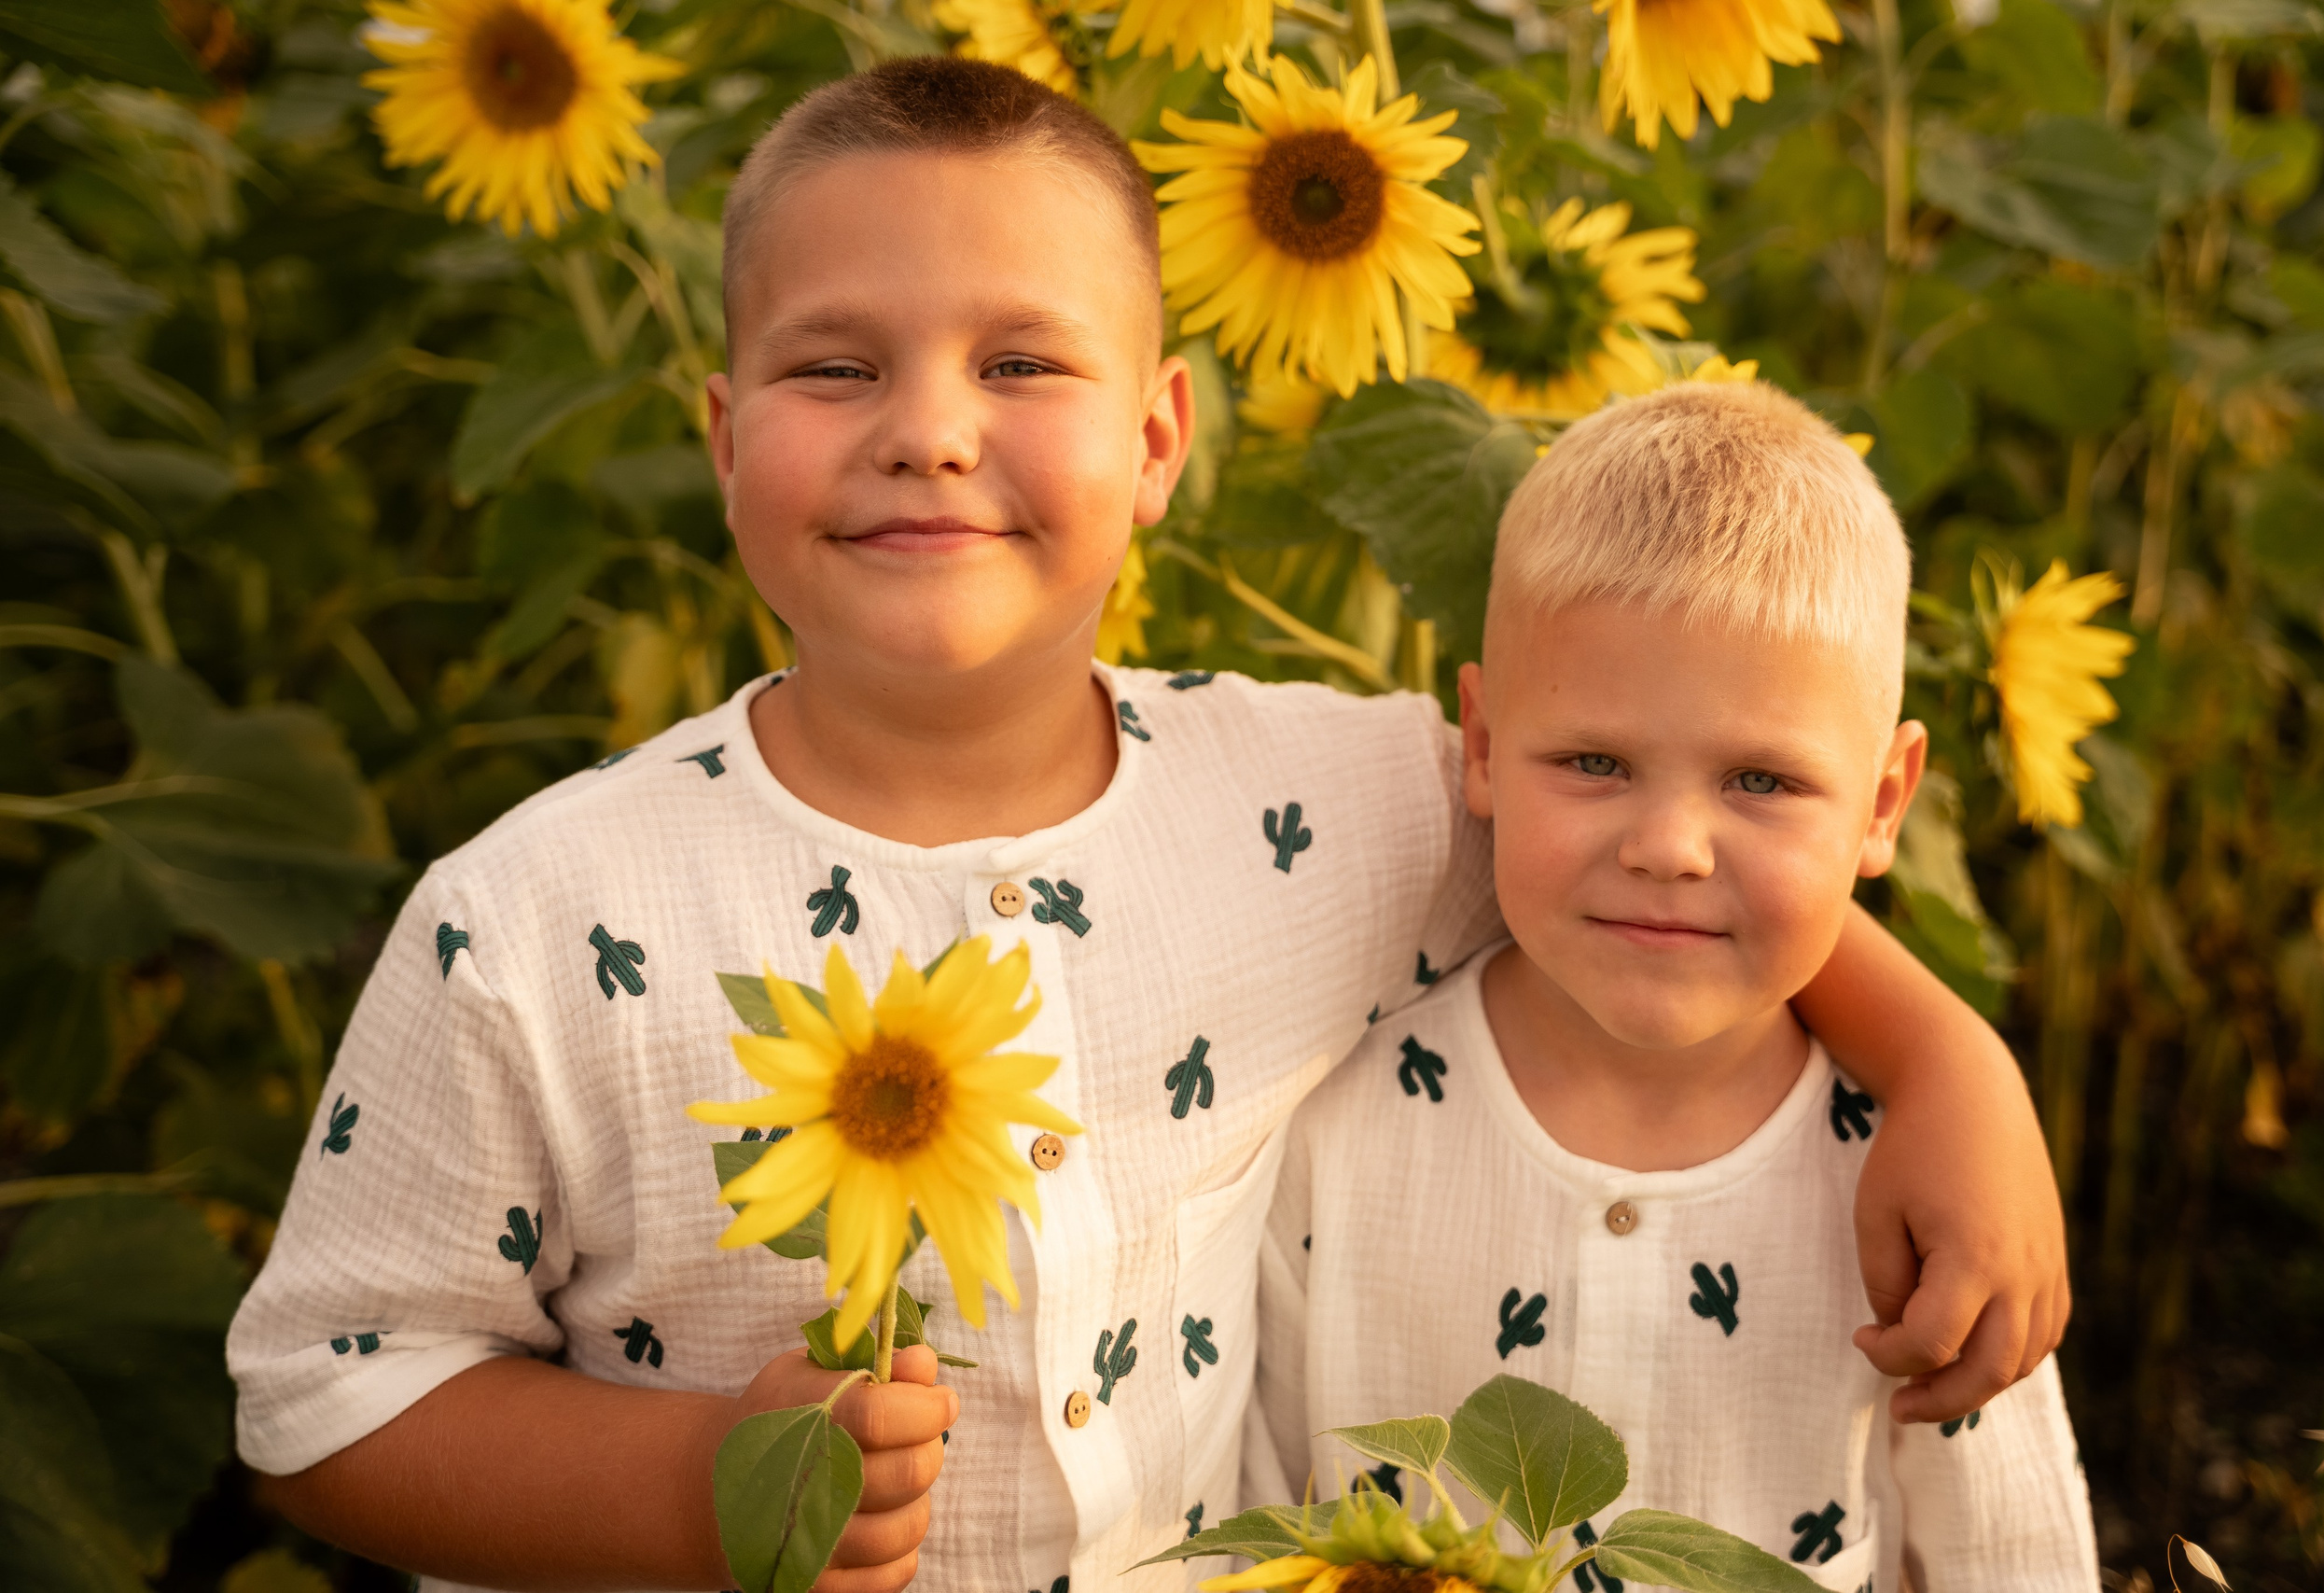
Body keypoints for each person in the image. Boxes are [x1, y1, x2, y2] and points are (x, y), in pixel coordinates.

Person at [228, 58, 2070, 1593]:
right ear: (721, 439)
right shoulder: (539, 918)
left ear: (1162, 439)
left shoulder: (1315, 800)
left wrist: (1945, 1063)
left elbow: (1643, 836)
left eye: (1022, 364)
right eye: (833, 367)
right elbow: (324, 1394)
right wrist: (700, 1483)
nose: (930, 431)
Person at [1252, 379, 2097, 1590]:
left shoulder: (1918, 1189)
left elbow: (2008, 1561)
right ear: (1481, 746)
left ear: (1884, 802)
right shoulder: (1336, 1138)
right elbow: (1251, 1518)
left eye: (1760, 782)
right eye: (1595, 762)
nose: (1670, 847)